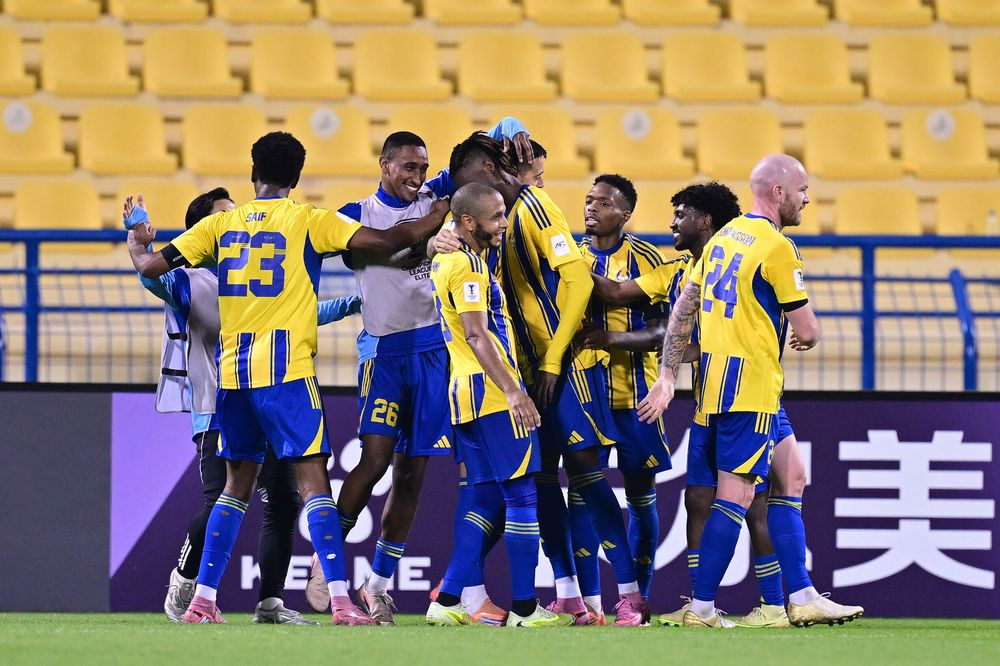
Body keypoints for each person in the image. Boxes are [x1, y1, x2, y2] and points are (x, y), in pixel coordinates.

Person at [127, 131, 447, 625]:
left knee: (235, 487)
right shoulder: (309, 221)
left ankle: (203, 601)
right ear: (297, 178)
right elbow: (392, 240)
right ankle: (340, 601)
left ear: (253, 173)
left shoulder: (220, 225)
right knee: (314, 484)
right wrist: (442, 208)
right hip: (287, 374)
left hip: (233, 378)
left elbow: (151, 265)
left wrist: (137, 240)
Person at [638, 154, 863, 629]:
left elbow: (683, 310)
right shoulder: (777, 247)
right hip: (752, 389)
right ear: (778, 192)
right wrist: (811, 332)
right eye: (802, 189)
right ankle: (700, 609)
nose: (807, 198)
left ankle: (800, 596)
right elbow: (806, 327)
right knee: (735, 496)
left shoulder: (722, 239)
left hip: (719, 385)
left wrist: (666, 374)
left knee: (791, 477)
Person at [436, 133, 649, 626]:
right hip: (509, 377)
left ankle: (627, 594)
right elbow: (471, 317)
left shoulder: (531, 206)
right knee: (528, 489)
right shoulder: (473, 236)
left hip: (556, 366)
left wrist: (554, 358)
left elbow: (574, 279)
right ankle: (553, 598)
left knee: (578, 476)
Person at [124, 188, 363, 625]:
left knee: (284, 504)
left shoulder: (246, 278)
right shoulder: (194, 281)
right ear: (205, 232)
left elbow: (299, 314)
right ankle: (186, 579)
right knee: (223, 497)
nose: (238, 223)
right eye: (225, 217)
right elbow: (154, 278)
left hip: (265, 397)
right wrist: (138, 244)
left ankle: (269, 603)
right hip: (220, 408)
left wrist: (350, 304)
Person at [330, 122, 533, 625]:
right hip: (383, 354)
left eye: (423, 168)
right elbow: (383, 249)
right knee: (374, 459)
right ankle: (327, 566)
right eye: (407, 168)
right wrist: (432, 231)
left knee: (414, 473)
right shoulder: (356, 215)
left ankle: (377, 586)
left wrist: (507, 143)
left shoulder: (439, 198)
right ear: (384, 165)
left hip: (434, 353)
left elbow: (477, 178)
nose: (417, 177)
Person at [590, 181, 792, 626]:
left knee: (755, 500)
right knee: (699, 500)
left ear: (705, 221)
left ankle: (776, 603)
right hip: (710, 397)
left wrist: (620, 341)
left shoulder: (748, 262)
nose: (671, 223)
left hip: (751, 395)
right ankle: (700, 603)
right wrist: (564, 259)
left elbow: (717, 335)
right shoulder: (680, 270)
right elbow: (618, 294)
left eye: (680, 214)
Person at [424, 183, 572, 628]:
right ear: (467, 222)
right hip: (491, 394)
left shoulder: (446, 258)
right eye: (496, 217)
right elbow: (476, 333)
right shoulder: (468, 268)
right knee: (523, 496)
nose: (504, 224)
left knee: (485, 498)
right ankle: (525, 610)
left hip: (463, 393)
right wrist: (513, 390)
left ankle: (447, 600)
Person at [567, 175, 673, 621]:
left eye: (604, 202)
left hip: (635, 395)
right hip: (584, 394)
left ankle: (637, 599)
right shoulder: (569, 253)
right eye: (589, 200)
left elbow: (667, 330)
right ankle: (589, 600)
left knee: (641, 496)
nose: (592, 207)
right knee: (583, 494)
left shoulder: (648, 258)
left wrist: (614, 337)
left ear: (625, 213)